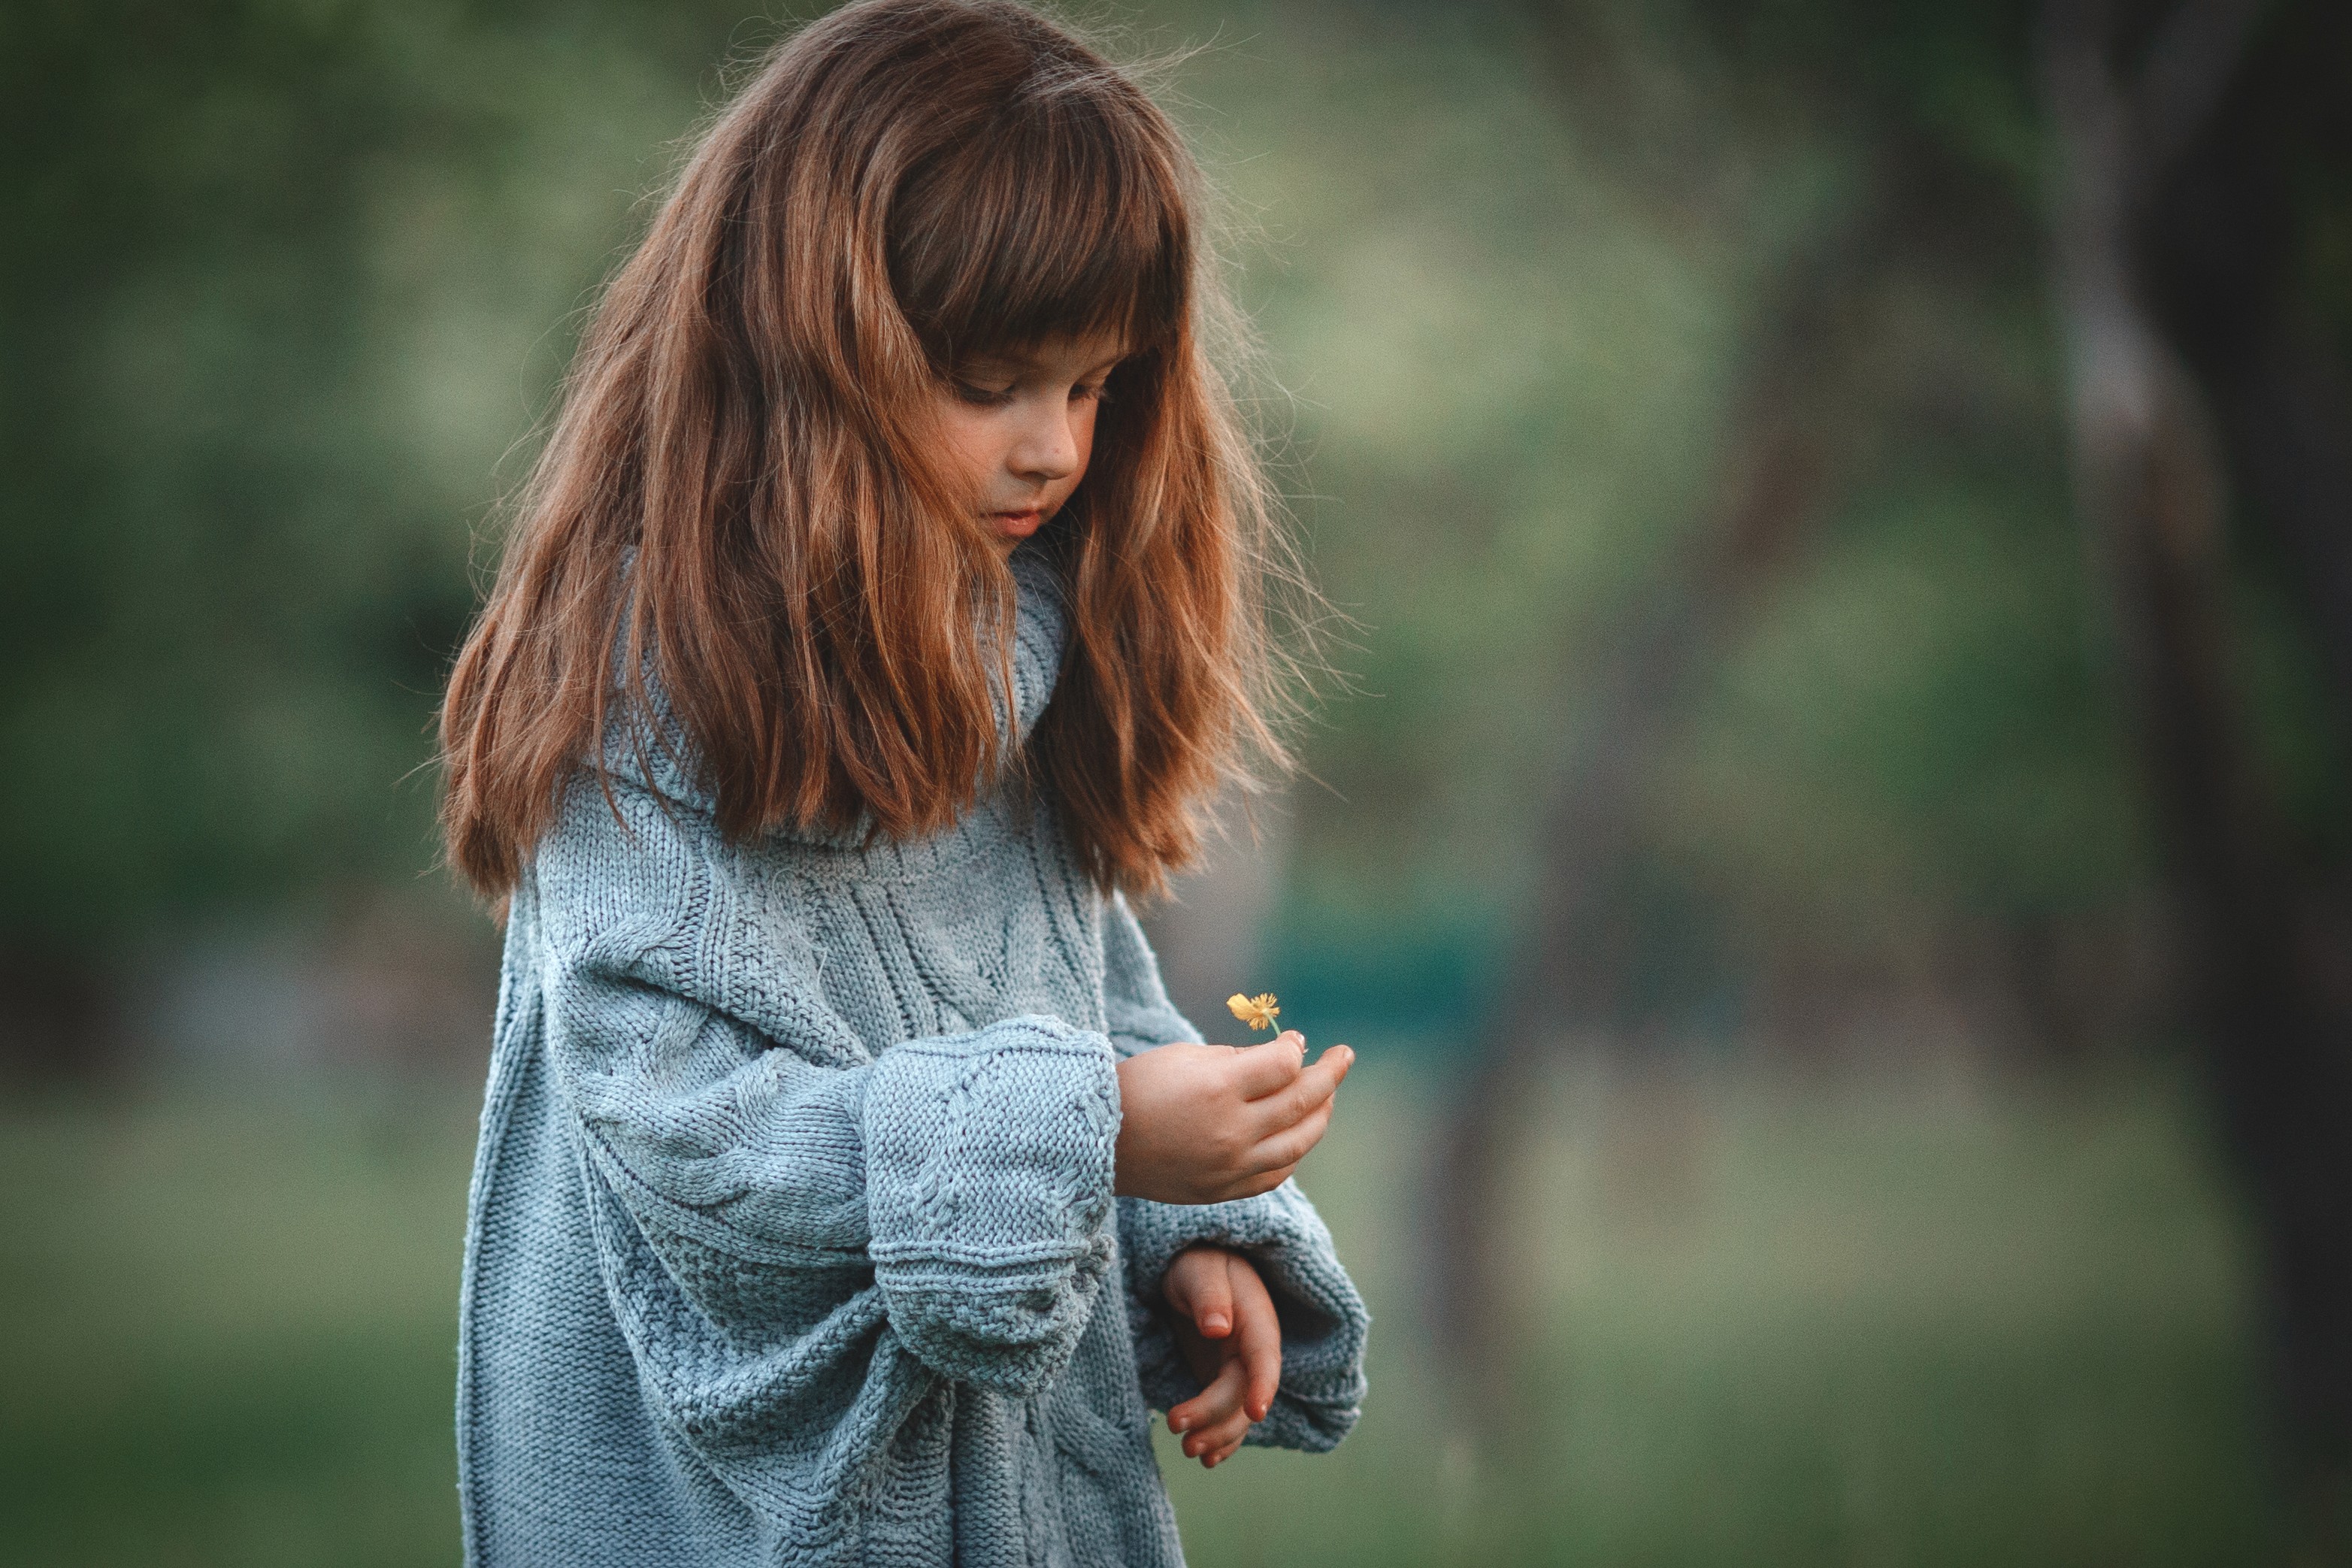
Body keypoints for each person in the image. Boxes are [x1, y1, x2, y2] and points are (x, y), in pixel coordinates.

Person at [434, 2, 1368, 1562]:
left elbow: (1088, 1004)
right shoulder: (646, 708)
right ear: (804, 354)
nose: (1052, 449)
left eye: (1092, 385)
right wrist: (1092, 1136)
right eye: (992, 379)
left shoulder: (1014, 639)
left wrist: (1179, 1229)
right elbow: (684, 1134)